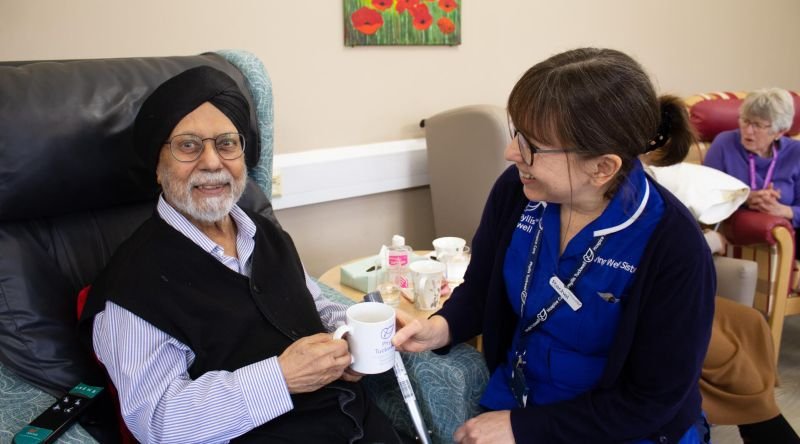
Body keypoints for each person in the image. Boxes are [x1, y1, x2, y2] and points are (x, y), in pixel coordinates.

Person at [393, 48, 715, 443]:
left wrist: (522, 428)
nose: (512, 154)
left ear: (602, 168)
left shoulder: (673, 246)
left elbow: (650, 400)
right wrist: (439, 328)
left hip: (619, 428)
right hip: (520, 399)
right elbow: (480, 290)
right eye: (517, 135)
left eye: (532, 145)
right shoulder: (517, 193)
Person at [79, 66, 400, 443]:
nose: (213, 162)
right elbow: (160, 422)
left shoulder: (266, 235)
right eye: (188, 145)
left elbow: (313, 308)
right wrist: (280, 378)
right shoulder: (131, 287)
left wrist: (354, 333)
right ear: (157, 165)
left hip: (362, 427)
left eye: (227, 144)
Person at [703, 88, 800, 254]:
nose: (748, 131)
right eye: (745, 121)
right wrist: (745, 197)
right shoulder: (724, 144)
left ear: (779, 132)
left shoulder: (795, 152)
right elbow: (704, 193)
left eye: (758, 125)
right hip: (741, 229)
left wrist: (785, 211)